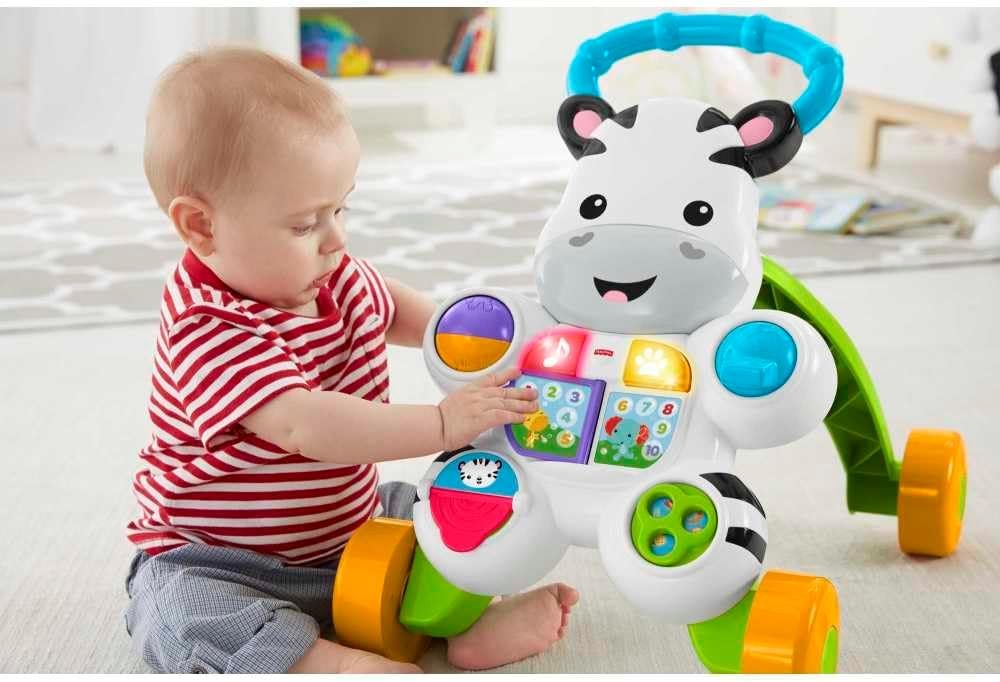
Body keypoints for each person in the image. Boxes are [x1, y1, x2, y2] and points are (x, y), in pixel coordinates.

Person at [124, 46, 578, 674]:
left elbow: (403, 312)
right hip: (223, 560)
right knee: (176, 613)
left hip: (355, 535)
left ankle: (462, 621)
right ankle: (327, 663)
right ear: (201, 226)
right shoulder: (206, 325)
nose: (337, 238)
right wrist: (442, 422)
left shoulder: (328, 273)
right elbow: (306, 425)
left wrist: (490, 344)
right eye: (304, 224)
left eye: (341, 208)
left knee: (455, 502)